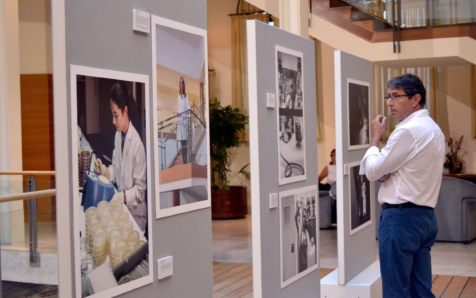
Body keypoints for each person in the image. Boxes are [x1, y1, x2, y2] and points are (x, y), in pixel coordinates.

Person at [359, 74, 445, 298]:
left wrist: (376, 138)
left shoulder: (407, 130)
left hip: (400, 219)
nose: (389, 103)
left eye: (396, 96)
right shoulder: (434, 129)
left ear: (415, 99)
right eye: (388, 97)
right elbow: (389, 170)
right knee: (421, 290)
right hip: (424, 218)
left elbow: (372, 171)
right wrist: (383, 170)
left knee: (396, 291)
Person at [94, 82, 147, 232]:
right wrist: (104, 171)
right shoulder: (118, 137)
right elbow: (117, 171)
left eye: (116, 115)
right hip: (123, 211)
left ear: (125, 110)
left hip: (136, 217)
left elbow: (140, 191)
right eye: (112, 115)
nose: (113, 121)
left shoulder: (137, 145)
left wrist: (123, 197)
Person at [177, 77, 191, 164]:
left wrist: (190, 110)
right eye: (180, 83)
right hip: (179, 120)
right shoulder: (178, 96)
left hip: (184, 120)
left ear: (184, 85)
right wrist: (177, 112)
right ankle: (183, 161)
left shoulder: (186, 96)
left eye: (183, 83)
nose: (181, 85)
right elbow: (179, 107)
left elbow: (187, 105)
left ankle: (186, 160)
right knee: (182, 142)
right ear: (179, 85)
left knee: (185, 140)